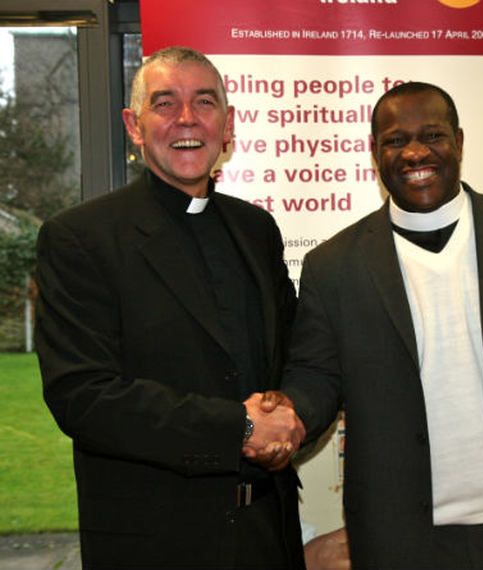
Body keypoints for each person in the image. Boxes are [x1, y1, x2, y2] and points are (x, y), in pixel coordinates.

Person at [268, 82, 483, 569]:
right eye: (394, 140)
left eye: (432, 135)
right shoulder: (335, 265)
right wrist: (287, 416)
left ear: (460, 142)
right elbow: (317, 376)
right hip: (403, 543)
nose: (414, 152)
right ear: (374, 153)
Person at [34, 46, 305, 569]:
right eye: (165, 103)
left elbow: (292, 351)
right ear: (134, 126)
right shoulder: (80, 238)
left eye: (204, 102)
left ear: (227, 125)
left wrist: (289, 416)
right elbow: (82, 396)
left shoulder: (256, 229)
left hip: (268, 535)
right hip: (156, 543)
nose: (187, 118)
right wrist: (239, 427)